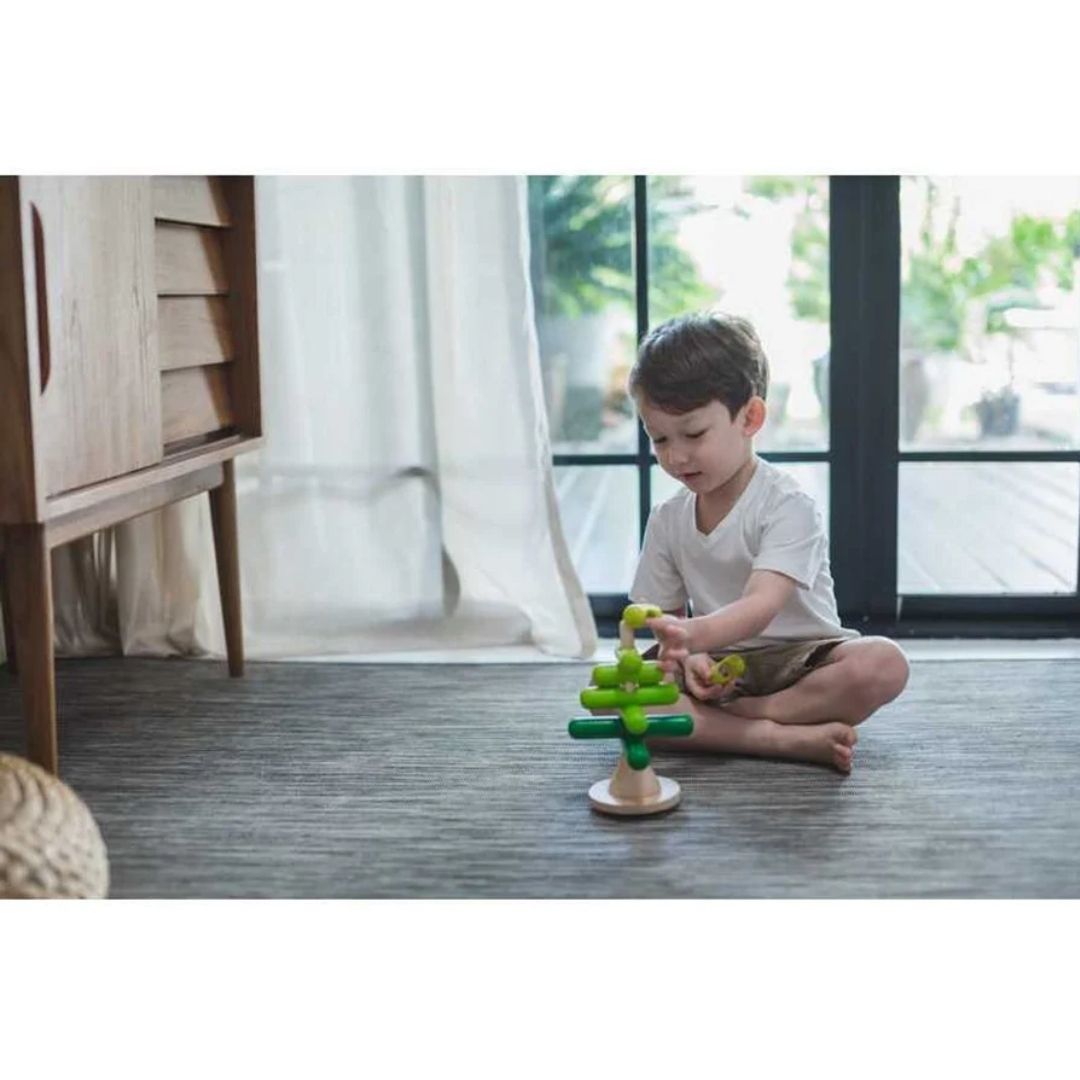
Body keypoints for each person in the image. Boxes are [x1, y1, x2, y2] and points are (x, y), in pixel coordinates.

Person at [627, 311, 909, 773]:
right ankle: (778, 739)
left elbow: (761, 605)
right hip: (714, 663)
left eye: (693, 434)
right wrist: (692, 655)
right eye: (659, 439)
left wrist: (693, 635)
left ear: (750, 417)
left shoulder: (787, 504)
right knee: (623, 693)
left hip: (801, 662)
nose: (675, 456)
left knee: (884, 664)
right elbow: (667, 616)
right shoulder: (667, 519)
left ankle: (746, 719)